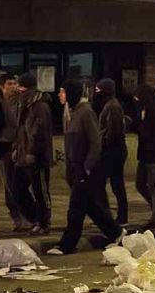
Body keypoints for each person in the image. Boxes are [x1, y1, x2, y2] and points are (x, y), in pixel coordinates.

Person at [46, 81, 126, 255]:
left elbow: (95, 142)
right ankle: (117, 233)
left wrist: (87, 166)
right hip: (75, 168)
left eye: (62, 92)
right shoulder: (70, 113)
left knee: (75, 208)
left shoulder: (86, 113)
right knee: (90, 207)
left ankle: (67, 244)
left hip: (85, 169)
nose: (59, 95)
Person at [0, 74, 30, 231]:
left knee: (24, 182)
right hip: (4, 146)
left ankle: (29, 215)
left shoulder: (21, 101)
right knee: (10, 184)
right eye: (9, 83)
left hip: (21, 146)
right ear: (2, 86)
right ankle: (17, 216)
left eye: (14, 83)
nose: (13, 86)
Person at [12, 72, 53, 235]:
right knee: (17, 187)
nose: (18, 90)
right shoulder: (24, 105)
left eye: (20, 87)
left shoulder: (40, 106)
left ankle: (44, 222)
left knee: (40, 190)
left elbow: (39, 133)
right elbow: (21, 130)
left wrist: (32, 152)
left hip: (38, 157)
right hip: (23, 154)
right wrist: (18, 149)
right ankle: (35, 217)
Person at [94, 78, 129, 226]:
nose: (95, 94)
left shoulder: (113, 107)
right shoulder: (109, 105)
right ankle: (110, 215)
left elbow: (113, 131)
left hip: (113, 151)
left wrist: (103, 144)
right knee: (114, 183)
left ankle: (117, 216)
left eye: (98, 90)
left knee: (112, 184)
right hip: (113, 150)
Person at [133, 84, 155, 230]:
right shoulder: (144, 110)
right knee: (140, 184)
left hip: (154, 156)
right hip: (146, 155)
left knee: (154, 186)